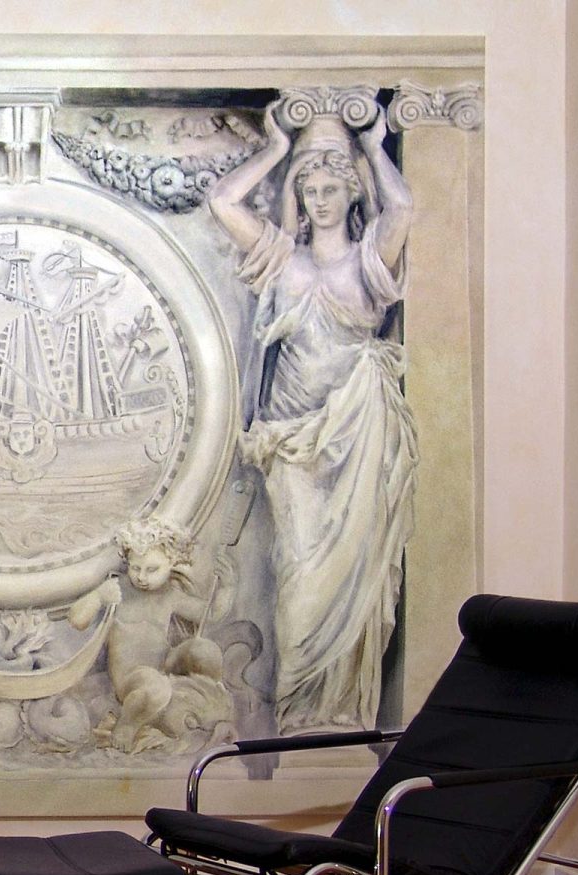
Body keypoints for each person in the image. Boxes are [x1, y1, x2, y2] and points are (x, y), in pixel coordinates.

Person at [207, 100, 417, 733]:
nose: (319, 200)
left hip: (358, 432)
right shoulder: (283, 260)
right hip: (292, 442)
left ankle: (340, 715)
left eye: (330, 188)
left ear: (351, 193)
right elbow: (223, 202)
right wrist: (276, 150)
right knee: (298, 575)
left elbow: (401, 210)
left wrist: (373, 148)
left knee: (357, 575)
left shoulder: (369, 261)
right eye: (309, 190)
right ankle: (301, 714)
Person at [67, 518, 233, 753]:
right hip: (132, 678)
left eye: (152, 570)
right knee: (155, 687)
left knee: (204, 650)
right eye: (136, 568)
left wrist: (227, 589)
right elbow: (77, 620)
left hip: (163, 666)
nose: (142, 577)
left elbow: (210, 615)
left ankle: (207, 698)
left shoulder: (170, 594)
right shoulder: (119, 589)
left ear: (172, 563)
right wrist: (98, 597)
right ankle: (128, 724)